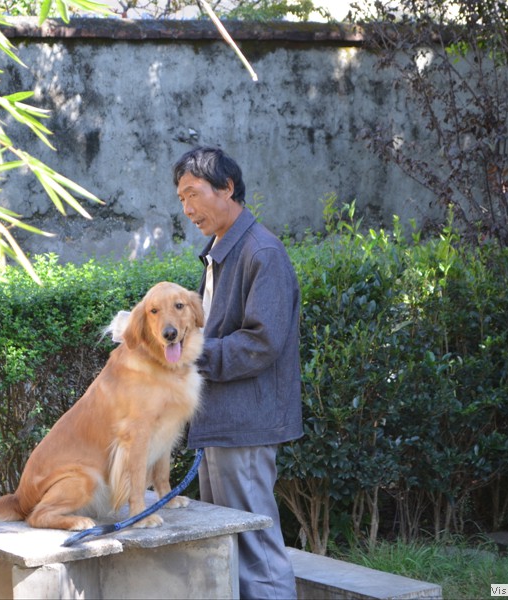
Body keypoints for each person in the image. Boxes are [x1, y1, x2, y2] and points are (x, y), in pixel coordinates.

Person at [172, 146, 303, 599]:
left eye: (193, 194)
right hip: (221, 422)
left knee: (254, 550)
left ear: (228, 187)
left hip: (246, 425)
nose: (187, 209)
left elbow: (261, 343)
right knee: (228, 544)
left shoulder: (262, 251)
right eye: (181, 199)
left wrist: (190, 355)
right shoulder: (220, 252)